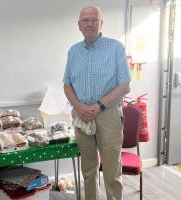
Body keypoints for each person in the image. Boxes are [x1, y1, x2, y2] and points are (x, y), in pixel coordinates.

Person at [63, 5, 131, 200]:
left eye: (94, 19)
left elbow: (124, 85)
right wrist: (79, 107)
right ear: (79, 25)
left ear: (101, 23)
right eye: (86, 20)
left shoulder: (115, 48)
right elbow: (67, 85)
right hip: (81, 115)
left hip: (108, 114)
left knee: (111, 171)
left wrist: (99, 105)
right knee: (88, 169)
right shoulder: (73, 51)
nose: (90, 23)